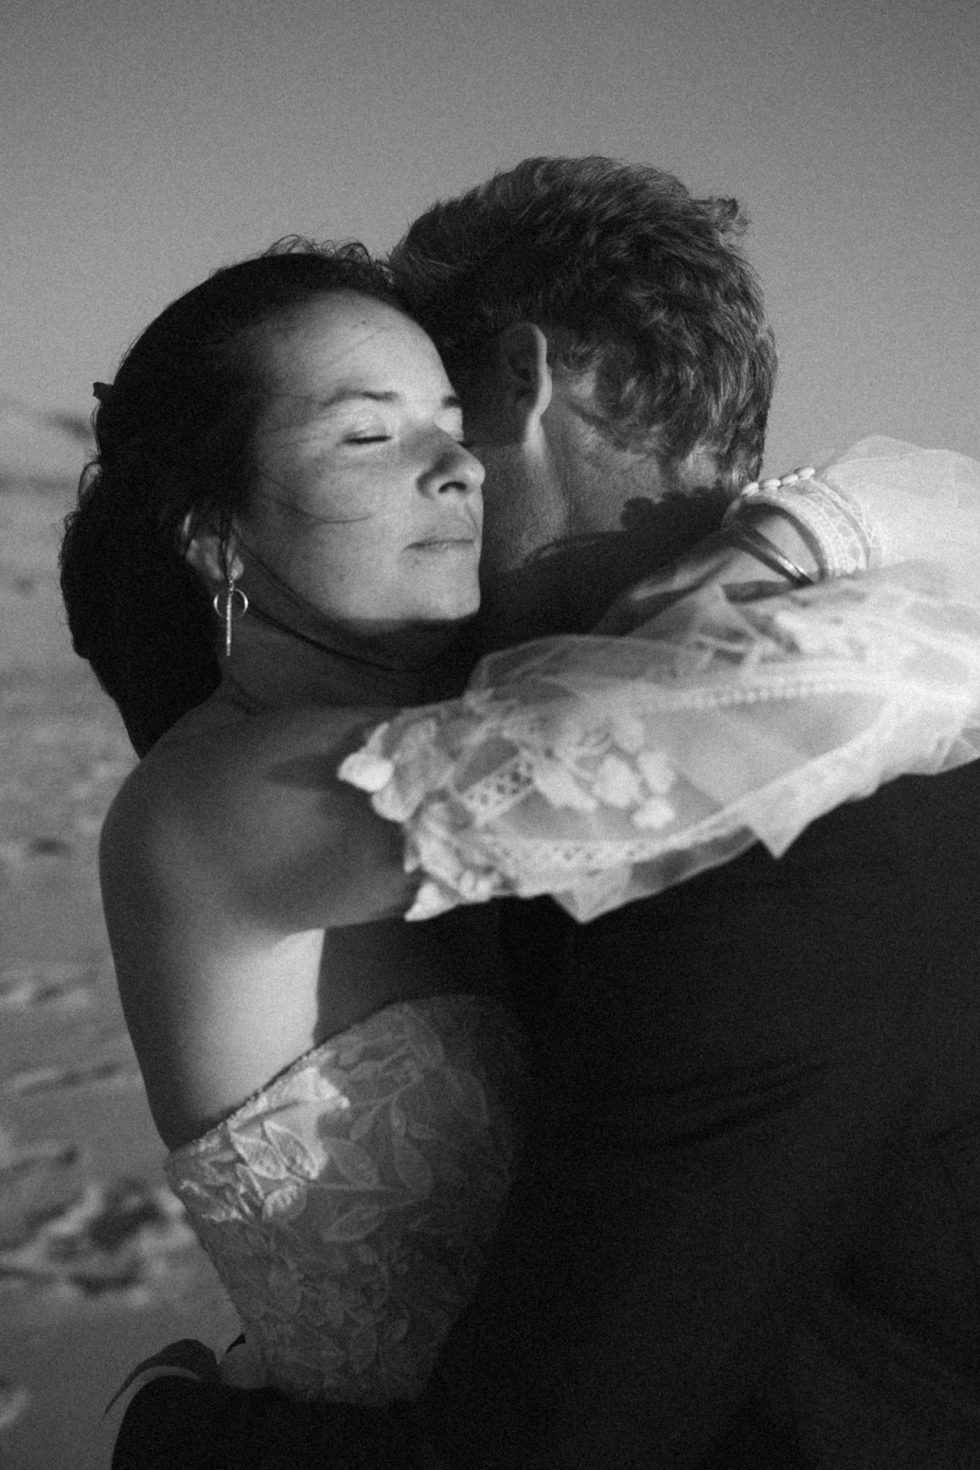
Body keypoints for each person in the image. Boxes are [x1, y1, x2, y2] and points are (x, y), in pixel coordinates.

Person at [72, 185, 980, 1464]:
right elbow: (724, 721)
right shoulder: (218, 806)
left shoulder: (456, 732)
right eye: (362, 437)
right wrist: (805, 534)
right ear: (219, 538)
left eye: (448, 422)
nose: (450, 467)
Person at [371, 156, 980, 1468]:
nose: (408, 481)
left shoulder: (773, 832)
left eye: (423, 414)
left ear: (519, 383)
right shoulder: (869, 650)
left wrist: (167, 1417)